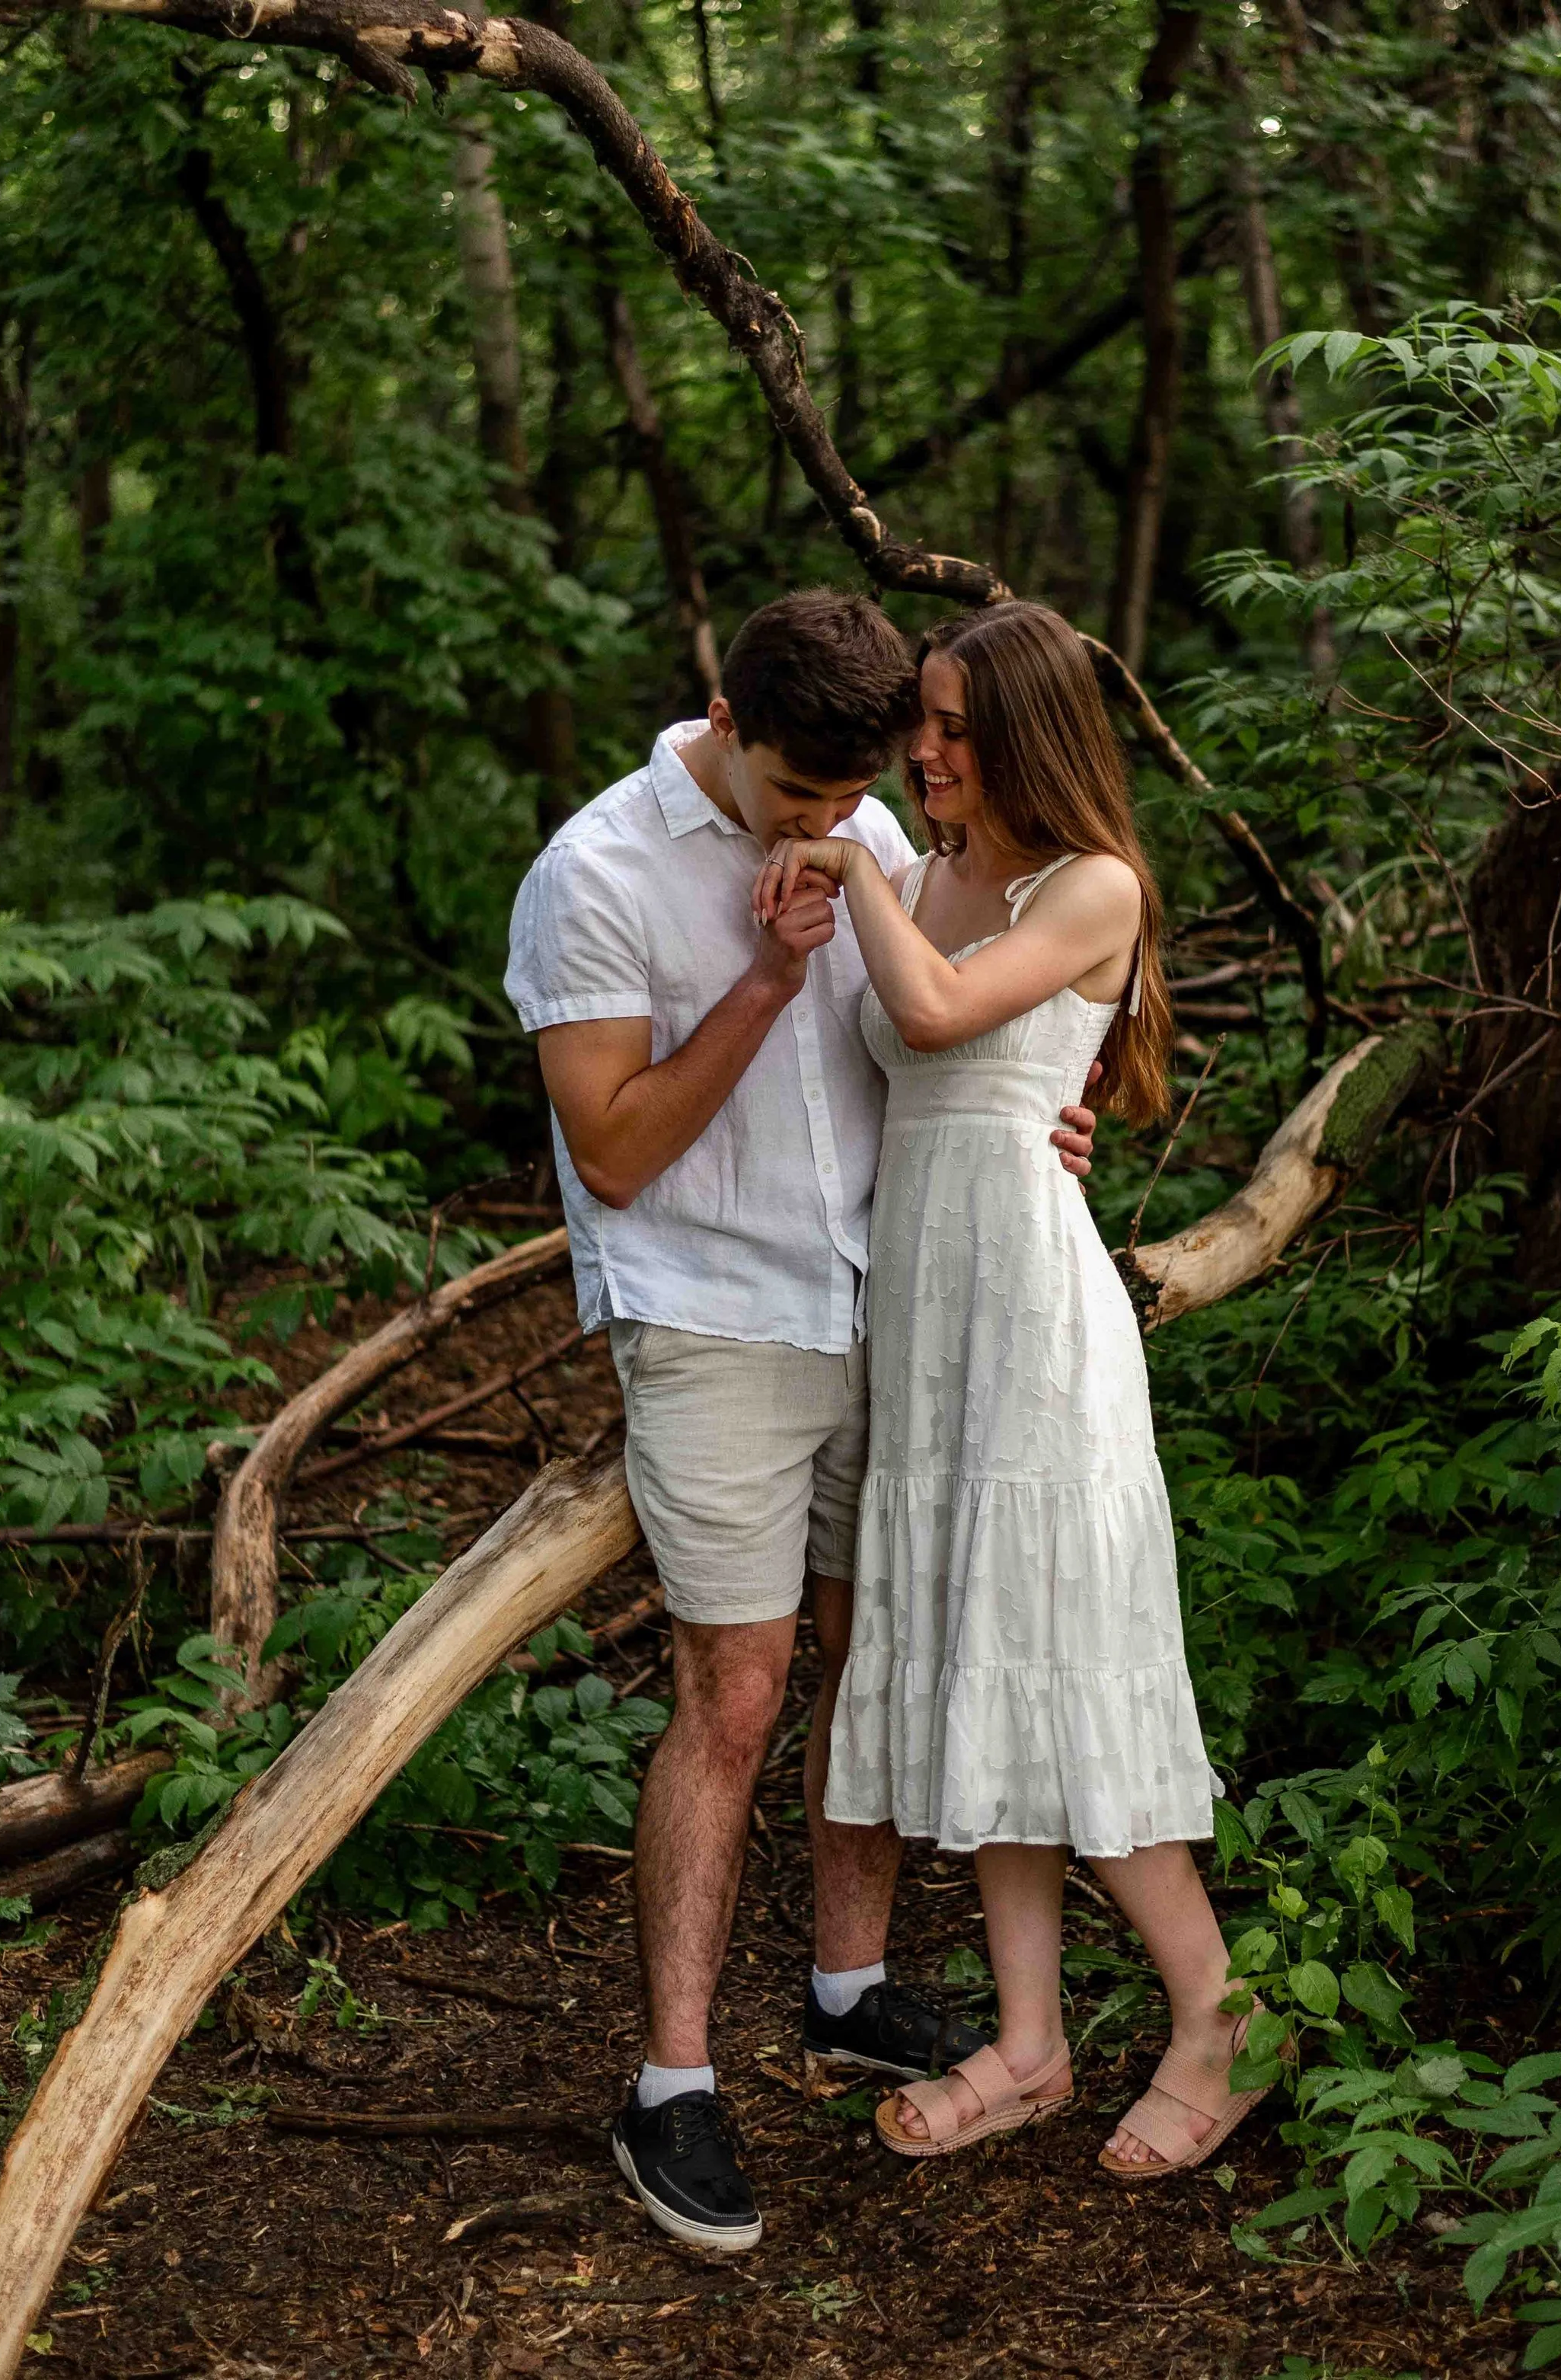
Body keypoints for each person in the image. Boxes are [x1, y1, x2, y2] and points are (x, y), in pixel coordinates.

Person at [503, 589, 1100, 2252]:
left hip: (884, 1296)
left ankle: (847, 1986)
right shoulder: (598, 873)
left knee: (870, 1656)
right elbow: (616, 1153)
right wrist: (769, 976)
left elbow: (949, 1032)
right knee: (737, 1690)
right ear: (725, 718)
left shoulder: (873, 829)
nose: (826, 826)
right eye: (797, 795)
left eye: (852, 797)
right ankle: (671, 2083)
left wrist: (1038, 1127)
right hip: (714, 1314)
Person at [752, 599, 1263, 2180]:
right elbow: (892, 1072)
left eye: (955, 727)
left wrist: (850, 871)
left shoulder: (1094, 884)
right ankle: (1031, 2044)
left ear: (1031, 736)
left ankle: (1222, 2016)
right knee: (989, 1678)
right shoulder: (922, 877)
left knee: (1066, 1666)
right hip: (928, 1330)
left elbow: (936, 1013)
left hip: (1037, 1333)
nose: (923, 749)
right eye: (923, 719)